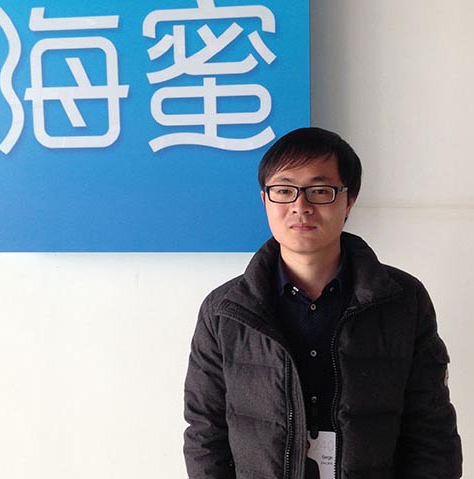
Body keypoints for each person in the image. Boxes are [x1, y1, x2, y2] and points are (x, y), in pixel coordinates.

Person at [183, 127, 462, 479]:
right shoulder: (226, 310)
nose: (300, 207)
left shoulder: (402, 299)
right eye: (284, 190)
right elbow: (205, 432)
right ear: (265, 199)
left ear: (349, 200)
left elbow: (431, 428)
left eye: (319, 191)